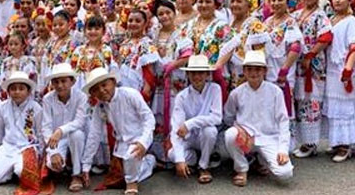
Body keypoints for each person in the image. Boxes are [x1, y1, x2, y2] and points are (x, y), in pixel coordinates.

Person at [82, 67, 156, 195]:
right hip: (121, 143)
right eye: (96, 89)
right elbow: (94, 135)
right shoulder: (100, 107)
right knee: (119, 175)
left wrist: (143, 142)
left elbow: (148, 118)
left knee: (131, 157)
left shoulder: (130, 94)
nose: (102, 91)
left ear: (114, 82)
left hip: (140, 137)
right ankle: (149, 162)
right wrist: (86, 165)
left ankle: (132, 183)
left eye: (104, 85)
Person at [223, 50, 293, 186]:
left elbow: (283, 121)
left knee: (285, 173)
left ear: (264, 71)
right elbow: (228, 117)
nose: (253, 73)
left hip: (269, 138)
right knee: (230, 135)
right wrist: (238, 128)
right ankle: (242, 168)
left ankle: (259, 160)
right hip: (245, 137)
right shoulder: (236, 93)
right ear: (244, 70)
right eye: (249, 69)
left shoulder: (275, 92)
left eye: (257, 69)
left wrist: (283, 150)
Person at [292, 0, 333, 158]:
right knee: (299, 101)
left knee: (311, 103)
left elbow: (326, 37)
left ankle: (311, 142)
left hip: (312, 65)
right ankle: (302, 140)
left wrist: (310, 56)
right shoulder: (296, 14)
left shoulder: (320, 16)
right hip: (296, 63)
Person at [168, 54, 222, 184]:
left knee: (210, 131)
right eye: (193, 73)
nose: (197, 77)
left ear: (207, 74)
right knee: (172, 155)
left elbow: (217, 118)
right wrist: (180, 159)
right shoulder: (182, 96)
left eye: (201, 73)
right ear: (188, 75)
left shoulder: (215, 89)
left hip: (205, 136)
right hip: (190, 138)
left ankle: (204, 166)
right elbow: (177, 128)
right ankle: (199, 158)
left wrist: (190, 124)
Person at [0, 71, 44, 189]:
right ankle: (11, 169)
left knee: (21, 172)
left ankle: (18, 169)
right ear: (8, 91)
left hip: (27, 147)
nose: (17, 92)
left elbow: (40, 132)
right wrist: (4, 144)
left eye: (21, 88)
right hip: (8, 147)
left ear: (28, 91)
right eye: (13, 89)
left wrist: (41, 153)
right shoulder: (2, 107)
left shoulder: (36, 108)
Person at [42, 63, 88, 192]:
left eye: (64, 81)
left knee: (76, 134)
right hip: (56, 140)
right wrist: (53, 152)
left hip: (76, 137)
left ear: (72, 81)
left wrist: (61, 130)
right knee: (54, 166)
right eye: (56, 82)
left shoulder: (81, 97)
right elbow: (46, 127)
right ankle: (66, 165)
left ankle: (76, 174)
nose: (60, 85)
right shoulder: (47, 99)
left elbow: (80, 121)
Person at [324, 0, 355, 162]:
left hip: (344, 69)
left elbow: (353, 46)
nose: (337, 0)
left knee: (345, 107)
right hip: (331, 68)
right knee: (334, 106)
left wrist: (348, 69)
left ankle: (346, 145)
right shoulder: (330, 20)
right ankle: (337, 142)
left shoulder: (351, 21)